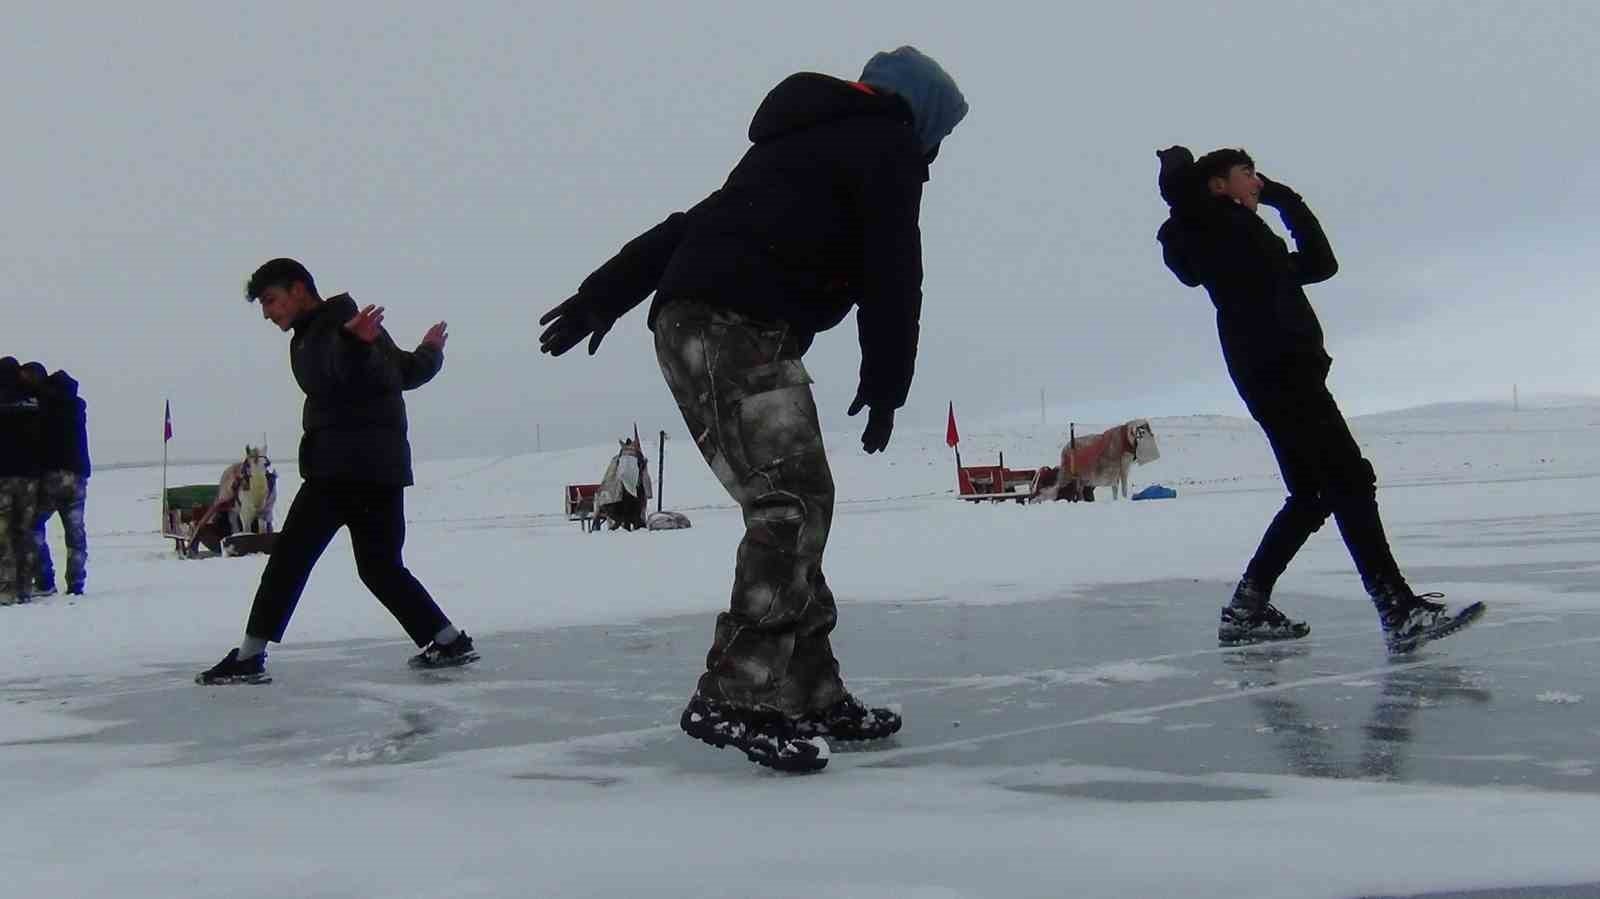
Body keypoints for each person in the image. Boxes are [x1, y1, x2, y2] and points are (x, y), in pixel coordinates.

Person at [539, 46, 967, 771]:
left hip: (707, 324)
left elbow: (688, 225)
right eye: (939, 135)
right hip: (726, 327)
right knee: (790, 503)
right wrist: (889, 379)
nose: (934, 152)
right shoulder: (884, 141)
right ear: (918, 111)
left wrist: (603, 292)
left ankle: (808, 686)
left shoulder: (798, 146)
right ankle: (735, 690)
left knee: (800, 501)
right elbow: (896, 267)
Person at [1156, 146, 1484, 655]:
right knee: (1349, 479)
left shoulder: (1249, 238)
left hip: (1282, 370)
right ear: (1218, 186)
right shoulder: (1210, 227)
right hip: (1278, 370)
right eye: (1248, 173)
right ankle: (1397, 608)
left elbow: (1321, 265)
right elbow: (1185, 211)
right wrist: (1182, 175)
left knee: (1312, 494)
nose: (1258, 179)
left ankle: (1248, 607)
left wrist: (1289, 202)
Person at [197, 258, 477, 684]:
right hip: (380, 470)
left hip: (341, 470)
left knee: (290, 560)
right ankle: (447, 640)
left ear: (298, 289)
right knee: (381, 568)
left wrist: (369, 347)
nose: (269, 313)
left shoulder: (326, 334)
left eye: (272, 301)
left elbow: (330, 373)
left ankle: (249, 657)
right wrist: (430, 353)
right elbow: (402, 370)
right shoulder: (348, 326)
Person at [32, 368, 91, 596]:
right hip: (78, 477)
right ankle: (76, 582)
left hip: (53, 476)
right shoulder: (77, 406)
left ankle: (45, 579)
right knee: (75, 532)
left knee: (33, 526)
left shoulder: (47, 406)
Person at [0, 357, 43, 605]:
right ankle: (25, 588)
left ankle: (6, 588)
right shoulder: (34, 400)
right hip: (30, 477)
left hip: (3, 477)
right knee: (25, 532)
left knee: (3, 533)